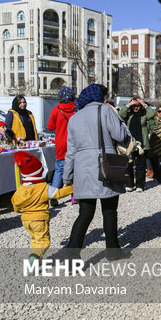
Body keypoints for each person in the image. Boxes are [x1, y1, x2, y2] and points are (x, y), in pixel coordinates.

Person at [64, 84, 132, 260]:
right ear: (101, 96)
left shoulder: (74, 117)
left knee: (85, 213)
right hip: (105, 166)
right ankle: (113, 251)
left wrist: (67, 176)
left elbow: (70, 151)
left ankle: (72, 256)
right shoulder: (105, 110)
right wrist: (120, 120)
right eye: (105, 96)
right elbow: (121, 136)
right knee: (109, 211)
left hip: (82, 170)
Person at [12, 151, 73, 265]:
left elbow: (15, 206)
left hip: (26, 221)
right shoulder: (43, 187)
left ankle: (36, 257)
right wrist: (71, 188)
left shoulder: (20, 190)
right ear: (38, 173)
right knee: (44, 241)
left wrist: (22, 211)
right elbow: (58, 193)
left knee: (35, 239)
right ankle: (34, 257)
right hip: (39, 220)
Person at [119, 96, 155, 192]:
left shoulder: (144, 115)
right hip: (130, 144)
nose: (136, 108)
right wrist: (129, 104)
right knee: (129, 164)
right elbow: (121, 114)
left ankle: (140, 185)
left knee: (141, 166)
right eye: (134, 106)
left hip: (142, 144)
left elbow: (152, 114)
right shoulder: (129, 115)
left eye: (138, 106)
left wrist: (144, 104)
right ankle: (130, 184)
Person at [47, 87, 76, 200]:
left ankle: (54, 195)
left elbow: (50, 127)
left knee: (59, 169)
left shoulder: (56, 109)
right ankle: (76, 195)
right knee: (75, 168)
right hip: (74, 142)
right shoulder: (76, 109)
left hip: (61, 143)